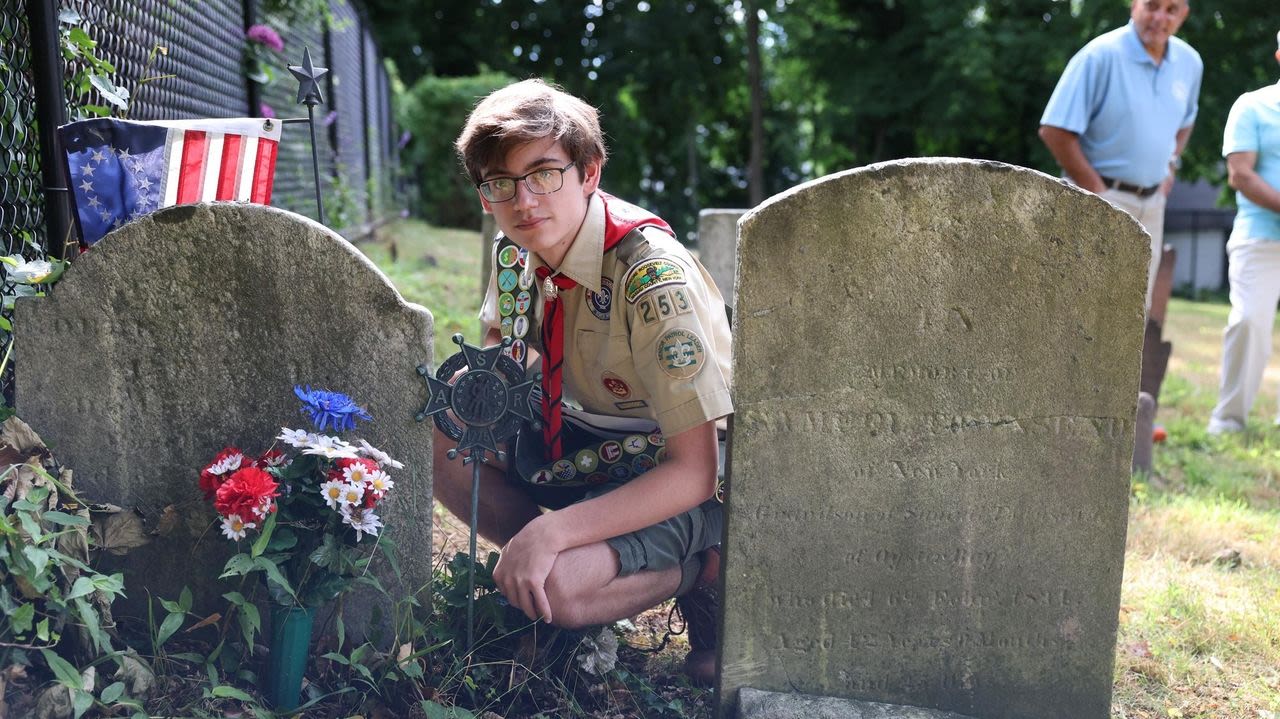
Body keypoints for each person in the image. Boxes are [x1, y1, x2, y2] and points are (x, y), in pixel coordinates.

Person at [435, 79, 732, 683]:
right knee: (444, 438)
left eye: (544, 173)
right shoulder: (516, 253)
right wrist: (488, 379)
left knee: (563, 589)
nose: (523, 201)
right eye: (499, 184)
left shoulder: (651, 276)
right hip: (580, 441)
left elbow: (695, 468)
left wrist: (556, 532)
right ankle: (548, 570)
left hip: (677, 471)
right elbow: (511, 358)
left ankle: (704, 570)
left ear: (589, 172)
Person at [1039, 0, 1203, 310]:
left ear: (1184, 15)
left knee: (1131, 312)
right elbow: (1054, 130)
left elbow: (1186, 122)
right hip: (1095, 197)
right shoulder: (1099, 55)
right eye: (1152, 6)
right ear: (1134, 6)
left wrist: (1171, 165)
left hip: (1153, 205)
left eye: (1171, 9)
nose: (1160, 17)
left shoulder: (1190, 63)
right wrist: (1098, 192)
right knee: (1078, 306)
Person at [1206, 33, 1280, 435]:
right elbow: (1241, 174)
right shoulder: (1252, 105)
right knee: (1249, 322)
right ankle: (1229, 419)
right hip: (1261, 237)